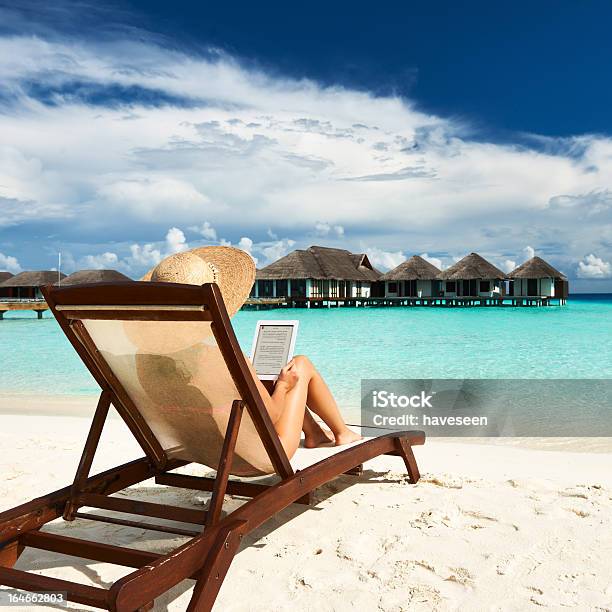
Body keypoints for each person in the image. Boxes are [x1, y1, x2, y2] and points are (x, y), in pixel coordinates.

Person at [146, 246, 362, 462]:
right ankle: (342, 432)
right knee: (300, 365)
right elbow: (272, 415)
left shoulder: (147, 361)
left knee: (262, 381)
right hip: (256, 457)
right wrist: (284, 385)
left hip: (204, 450)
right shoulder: (221, 357)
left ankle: (314, 432)